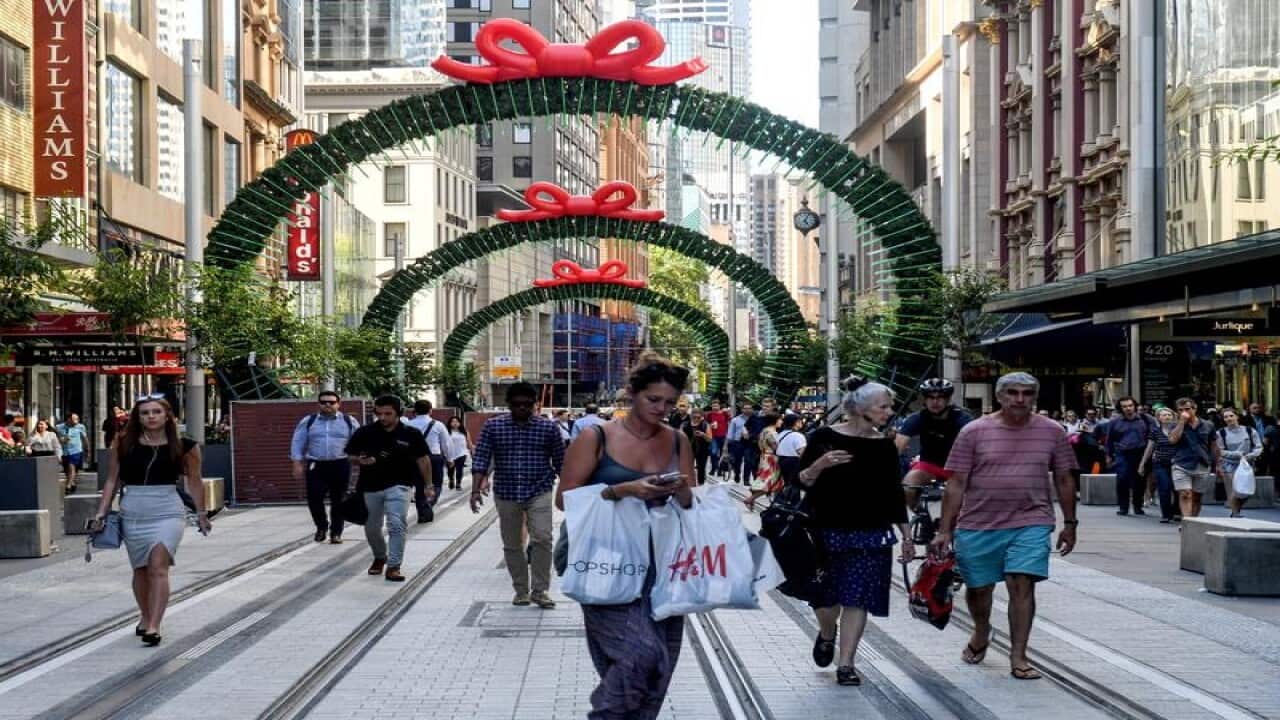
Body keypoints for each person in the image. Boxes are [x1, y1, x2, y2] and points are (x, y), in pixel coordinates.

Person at [557, 353, 696, 718]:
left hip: (662, 563)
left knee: (661, 663)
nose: (662, 408)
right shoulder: (596, 437)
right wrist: (624, 490)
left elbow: (690, 503)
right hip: (606, 561)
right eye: (653, 399)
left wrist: (680, 491)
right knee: (640, 654)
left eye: (670, 402)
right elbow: (564, 499)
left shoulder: (679, 440)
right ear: (632, 394)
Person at [930, 372, 1078, 681]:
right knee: (979, 587)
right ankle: (982, 630)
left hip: (1031, 520)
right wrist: (944, 530)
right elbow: (956, 483)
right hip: (979, 523)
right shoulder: (973, 432)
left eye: (1027, 393)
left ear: (1035, 397)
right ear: (1000, 396)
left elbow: (1064, 478)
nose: (1020, 399)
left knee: (1021, 583)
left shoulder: (1052, 432)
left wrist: (1070, 522)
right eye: (1012, 393)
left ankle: (1018, 655)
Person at [797, 378, 914, 686]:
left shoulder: (885, 446)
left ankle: (846, 664)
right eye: (883, 406)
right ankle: (826, 632)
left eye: (889, 406)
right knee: (825, 600)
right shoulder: (823, 436)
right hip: (826, 529)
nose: (889, 412)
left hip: (871, 531)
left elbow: (893, 493)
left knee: (856, 598)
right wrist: (819, 464)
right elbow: (801, 481)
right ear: (861, 408)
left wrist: (907, 534)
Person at [90, 396, 209, 647]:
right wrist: (101, 512)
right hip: (133, 509)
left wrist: (201, 513)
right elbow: (112, 480)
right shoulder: (123, 443)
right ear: (138, 417)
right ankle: (145, 615)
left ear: (168, 416)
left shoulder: (186, 446)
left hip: (167, 509)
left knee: (158, 565)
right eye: (145, 413)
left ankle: (155, 624)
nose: (151, 416)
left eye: (156, 412)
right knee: (141, 569)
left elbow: (195, 481)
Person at [471, 382, 565, 608]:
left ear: (535, 404)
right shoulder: (493, 427)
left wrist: (569, 491)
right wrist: (475, 489)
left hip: (539, 489)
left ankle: (540, 590)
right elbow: (481, 458)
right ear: (508, 405)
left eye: (527, 404)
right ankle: (521, 590)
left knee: (542, 538)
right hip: (506, 492)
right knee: (512, 543)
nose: (522, 408)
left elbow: (562, 462)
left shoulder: (548, 428)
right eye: (516, 404)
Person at [345, 396, 431, 581]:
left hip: (400, 484)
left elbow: (423, 459)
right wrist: (359, 460)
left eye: (388, 413)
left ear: (399, 413)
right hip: (370, 486)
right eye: (379, 413)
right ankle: (379, 556)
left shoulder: (411, 434)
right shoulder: (365, 432)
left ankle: (394, 565)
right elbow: (350, 455)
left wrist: (428, 485)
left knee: (396, 524)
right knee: (371, 528)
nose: (382, 417)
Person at [290, 391, 359, 543]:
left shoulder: (349, 421)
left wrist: (359, 458)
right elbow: (298, 442)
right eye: (324, 402)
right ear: (318, 404)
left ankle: (336, 533)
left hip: (340, 464)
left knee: (339, 500)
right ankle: (321, 527)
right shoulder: (309, 421)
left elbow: (359, 441)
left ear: (338, 404)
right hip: (316, 465)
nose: (327, 405)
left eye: (332, 402)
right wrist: (297, 463)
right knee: (314, 498)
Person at [896, 378, 974, 509]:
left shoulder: (962, 419)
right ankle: (923, 517)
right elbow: (897, 447)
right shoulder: (917, 418)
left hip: (958, 467)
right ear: (925, 400)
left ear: (948, 399)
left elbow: (975, 447)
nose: (935, 401)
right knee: (907, 487)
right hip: (929, 464)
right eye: (930, 397)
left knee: (952, 498)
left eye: (940, 397)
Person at [1166, 398, 1221, 520]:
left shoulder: (1208, 425)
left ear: (1194, 409)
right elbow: (1172, 440)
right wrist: (1181, 422)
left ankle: (1194, 521)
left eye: (1187, 409)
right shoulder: (1174, 425)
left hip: (1202, 463)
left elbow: (1213, 445)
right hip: (1181, 463)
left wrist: (1218, 464)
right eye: (1180, 410)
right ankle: (1187, 521)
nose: (1184, 412)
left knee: (1196, 496)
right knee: (1185, 493)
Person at [1103, 397, 1157, 516]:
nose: (1128, 408)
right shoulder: (1114, 422)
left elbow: (1153, 437)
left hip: (1141, 453)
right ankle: (1123, 507)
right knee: (1122, 479)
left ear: (1135, 406)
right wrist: (1108, 455)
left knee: (1140, 481)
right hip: (1122, 453)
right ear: (1121, 408)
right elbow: (1109, 440)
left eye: (1130, 405)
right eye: (1125, 406)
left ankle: (1137, 506)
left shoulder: (1146, 419)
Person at [405, 400, 451, 512]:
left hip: (414, 458)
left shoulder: (407, 425)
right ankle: (430, 501)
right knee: (437, 483)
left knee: (419, 484)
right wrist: (450, 458)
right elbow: (446, 443)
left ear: (414, 411)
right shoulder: (438, 425)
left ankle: (422, 512)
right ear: (430, 410)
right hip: (434, 458)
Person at [1217, 408, 1261, 518]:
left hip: (1246, 465)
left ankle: (1236, 509)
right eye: (1226, 417)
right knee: (1233, 491)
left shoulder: (1250, 431)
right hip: (1228, 464)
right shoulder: (1221, 433)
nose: (1228, 418)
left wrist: (1249, 456)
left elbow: (1258, 447)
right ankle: (1235, 513)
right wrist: (1236, 454)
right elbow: (1220, 450)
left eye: (1231, 415)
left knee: (1246, 491)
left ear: (1237, 416)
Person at [1138, 408, 1181, 523]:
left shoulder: (1179, 430)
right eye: (1164, 415)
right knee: (1164, 488)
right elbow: (1149, 447)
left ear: (1173, 417)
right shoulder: (1155, 431)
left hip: (1177, 463)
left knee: (1177, 488)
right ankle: (1166, 514)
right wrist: (1142, 464)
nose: (1167, 417)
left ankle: (1177, 512)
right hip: (1160, 463)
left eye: (1169, 415)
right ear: (1159, 418)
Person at [745, 413, 783, 511]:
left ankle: (774, 503)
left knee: (767, 480)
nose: (781, 422)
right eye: (780, 420)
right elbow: (776, 447)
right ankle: (750, 499)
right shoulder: (771, 432)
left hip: (764, 457)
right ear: (774, 421)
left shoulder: (764, 430)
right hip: (771, 459)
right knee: (770, 481)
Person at [55, 413, 90, 494]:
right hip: (64, 452)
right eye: (75, 419)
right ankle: (72, 482)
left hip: (76, 451)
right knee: (67, 471)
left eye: (77, 419)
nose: (77, 421)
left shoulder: (80, 427)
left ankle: (68, 486)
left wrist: (88, 450)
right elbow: (55, 439)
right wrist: (62, 440)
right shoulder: (59, 427)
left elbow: (85, 438)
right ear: (69, 419)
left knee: (72, 467)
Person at [680, 407, 712, 485]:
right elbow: (679, 437)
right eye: (694, 417)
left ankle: (701, 485)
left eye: (698, 417)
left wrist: (703, 435)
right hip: (688, 450)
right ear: (691, 416)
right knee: (688, 469)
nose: (696, 419)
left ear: (701, 416)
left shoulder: (705, 425)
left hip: (702, 450)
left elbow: (710, 439)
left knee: (701, 468)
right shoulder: (684, 424)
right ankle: (690, 485)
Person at [776, 413, 808, 487]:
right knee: (794, 486)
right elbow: (802, 453)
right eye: (800, 421)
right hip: (793, 463)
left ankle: (781, 498)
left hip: (780, 461)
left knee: (784, 484)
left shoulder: (780, 434)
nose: (802, 422)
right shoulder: (798, 436)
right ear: (796, 423)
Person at [725, 402, 752, 483]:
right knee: (737, 461)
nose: (747, 410)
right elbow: (730, 434)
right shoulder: (735, 420)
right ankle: (737, 474)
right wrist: (726, 446)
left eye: (749, 408)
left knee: (748, 461)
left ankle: (746, 479)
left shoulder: (754, 419)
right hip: (737, 443)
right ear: (742, 409)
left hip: (749, 443)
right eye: (745, 408)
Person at [1246, 403, 1274, 475]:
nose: (1257, 410)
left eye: (1258, 408)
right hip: (1253, 445)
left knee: (1265, 465)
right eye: (1254, 408)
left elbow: (1274, 430)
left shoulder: (1269, 419)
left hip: (1266, 445)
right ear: (1249, 410)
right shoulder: (1245, 420)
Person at [445, 416, 472, 491]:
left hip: (462, 453)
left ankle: (458, 484)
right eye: (453, 422)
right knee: (450, 470)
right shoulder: (447, 432)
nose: (455, 423)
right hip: (450, 454)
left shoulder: (464, 432)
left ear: (460, 423)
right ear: (450, 423)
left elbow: (469, 442)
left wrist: (472, 450)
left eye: (457, 422)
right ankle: (451, 480)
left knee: (459, 469)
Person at [705, 400, 730, 477]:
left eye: (716, 406)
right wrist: (710, 426)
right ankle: (713, 468)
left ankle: (720, 470)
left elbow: (729, 421)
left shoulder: (724, 414)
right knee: (713, 453)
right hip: (714, 436)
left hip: (723, 436)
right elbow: (706, 423)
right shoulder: (709, 414)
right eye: (713, 406)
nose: (715, 407)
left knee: (723, 454)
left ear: (719, 406)